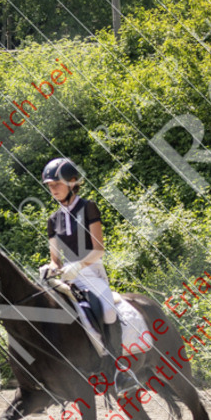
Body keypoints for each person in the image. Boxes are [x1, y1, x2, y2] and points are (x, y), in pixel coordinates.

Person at [41, 157, 135, 394]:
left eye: (57, 184)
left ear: (73, 183)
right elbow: (55, 258)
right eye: (50, 186)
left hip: (91, 271)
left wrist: (79, 265)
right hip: (66, 277)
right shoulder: (52, 219)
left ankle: (120, 369)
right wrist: (51, 267)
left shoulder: (88, 207)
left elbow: (99, 249)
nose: (52, 190)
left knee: (107, 308)